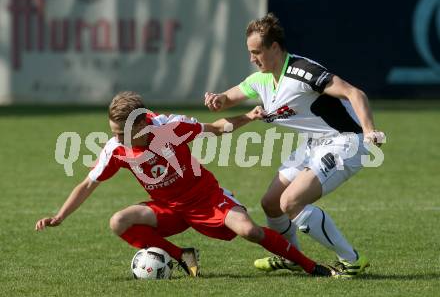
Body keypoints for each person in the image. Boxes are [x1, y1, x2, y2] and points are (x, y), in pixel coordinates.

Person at [35, 91, 341, 278]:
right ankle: (181, 255)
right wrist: (59, 216)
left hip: (206, 199)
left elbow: (216, 128)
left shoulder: (171, 126)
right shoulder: (116, 149)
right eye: (113, 132)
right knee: (119, 222)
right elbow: (87, 185)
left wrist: (248, 115)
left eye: (121, 133)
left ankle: (310, 265)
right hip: (168, 209)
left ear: (141, 125)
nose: (115, 139)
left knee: (251, 231)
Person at [204, 13, 385, 277]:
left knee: (291, 202)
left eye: (256, 52)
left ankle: (351, 260)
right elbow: (229, 98)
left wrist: (370, 130)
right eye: (249, 52)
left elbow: (354, 93)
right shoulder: (262, 79)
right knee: (271, 203)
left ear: (274, 47)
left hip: (345, 142)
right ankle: (290, 256)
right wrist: (217, 99)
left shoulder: (303, 71)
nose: (252, 59)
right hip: (314, 145)